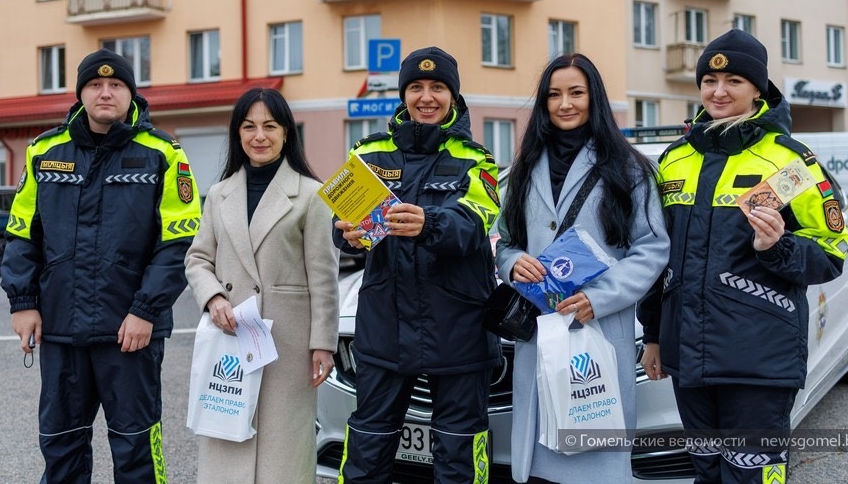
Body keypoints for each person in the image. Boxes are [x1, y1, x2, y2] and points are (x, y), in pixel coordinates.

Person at [637, 29, 848, 484]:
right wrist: (654, 335)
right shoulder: (675, 160)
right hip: (687, 358)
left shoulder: (792, 161)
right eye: (710, 82)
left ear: (758, 89)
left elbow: (831, 253)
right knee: (707, 472)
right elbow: (659, 260)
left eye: (733, 80)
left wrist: (778, 247)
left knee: (752, 477)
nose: (719, 91)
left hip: (759, 359)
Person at [0, 48, 202, 483]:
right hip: (59, 327)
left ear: (131, 93)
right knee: (61, 444)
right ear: (81, 94)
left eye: (115, 85)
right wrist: (23, 302)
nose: (105, 92)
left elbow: (179, 243)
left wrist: (145, 310)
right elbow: (20, 235)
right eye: (95, 84)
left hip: (130, 334)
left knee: (136, 449)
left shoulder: (164, 154)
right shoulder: (44, 151)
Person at [493, 53, 670, 483]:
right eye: (554, 95)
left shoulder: (630, 170)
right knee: (540, 459)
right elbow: (504, 240)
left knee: (594, 460)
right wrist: (514, 263)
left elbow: (652, 248)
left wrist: (599, 298)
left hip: (596, 331)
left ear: (595, 98)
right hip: (540, 330)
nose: (564, 104)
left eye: (576, 92)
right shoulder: (522, 170)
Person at [333, 46, 502, 483]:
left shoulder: (476, 158)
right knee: (366, 452)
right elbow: (344, 224)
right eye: (416, 87)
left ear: (453, 96)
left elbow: (476, 223)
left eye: (438, 87)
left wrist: (429, 223)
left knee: (459, 458)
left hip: (459, 328)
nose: (427, 97)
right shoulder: (367, 152)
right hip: (384, 326)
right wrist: (345, 232)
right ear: (403, 94)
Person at [184, 87, 339, 483]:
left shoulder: (311, 194)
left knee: (282, 449)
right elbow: (198, 259)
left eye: (270, 126)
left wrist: (323, 342)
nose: (259, 136)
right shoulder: (219, 194)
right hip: (231, 338)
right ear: (237, 134)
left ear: (287, 133)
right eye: (249, 126)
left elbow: (323, 275)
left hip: (287, 345)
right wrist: (214, 297)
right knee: (227, 440)